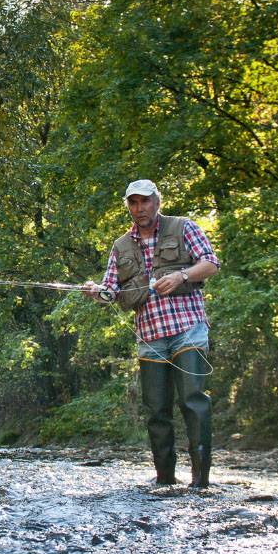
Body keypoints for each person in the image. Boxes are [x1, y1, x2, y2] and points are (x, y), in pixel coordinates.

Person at [84, 180, 220, 488]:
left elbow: (211, 263)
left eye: (144, 201)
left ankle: (201, 483)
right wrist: (95, 292)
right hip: (150, 338)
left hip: (188, 329)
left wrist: (181, 275)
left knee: (192, 400)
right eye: (132, 203)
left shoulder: (184, 227)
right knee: (157, 410)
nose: (139, 208)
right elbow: (111, 292)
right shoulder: (120, 246)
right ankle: (165, 481)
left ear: (157, 202)